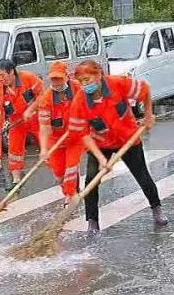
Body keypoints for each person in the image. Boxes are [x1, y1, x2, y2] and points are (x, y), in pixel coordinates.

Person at [68, 60, 168, 234]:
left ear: (99, 74)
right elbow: (83, 134)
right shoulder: (79, 102)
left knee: (142, 175)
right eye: (81, 81)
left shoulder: (119, 84)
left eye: (88, 79)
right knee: (91, 180)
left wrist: (148, 114)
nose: (85, 84)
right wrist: (100, 159)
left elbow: (144, 90)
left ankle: (156, 208)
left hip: (128, 139)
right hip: (100, 143)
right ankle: (92, 222)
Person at [0, 59, 43, 190]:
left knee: (48, 145)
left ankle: (61, 172)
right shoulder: (2, 88)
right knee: (14, 151)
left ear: (12, 71)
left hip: (36, 118)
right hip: (16, 121)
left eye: (3, 75)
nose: (1, 79)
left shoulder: (28, 78)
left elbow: (43, 96)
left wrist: (31, 109)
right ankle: (16, 179)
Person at [37, 61, 84, 206]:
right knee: (58, 174)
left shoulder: (78, 89)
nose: (56, 83)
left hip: (75, 137)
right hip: (55, 139)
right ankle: (70, 190)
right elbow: (44, 127)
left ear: (66, 77)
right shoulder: (46, 99)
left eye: (59, 79)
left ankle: (71, 196)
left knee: (70, 167)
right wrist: (44, 149)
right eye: (53, 79)